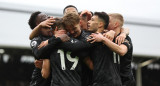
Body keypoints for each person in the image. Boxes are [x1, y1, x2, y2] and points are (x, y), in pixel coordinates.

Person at [88, 13, 135, 86]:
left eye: (108, 21)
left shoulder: (124, 38)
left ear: (115, 24)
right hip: (113, 81)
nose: (105, 22)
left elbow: (122, 51)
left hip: (126, 81)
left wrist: (123, 33)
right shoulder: (105, 35)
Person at [28, 11, 52, 86]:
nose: (47, 17)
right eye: (43, 17)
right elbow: (39, 53)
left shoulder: (56, 32)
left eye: (47, 15)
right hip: (40, 81)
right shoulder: (36, 39)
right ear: (39, 24)